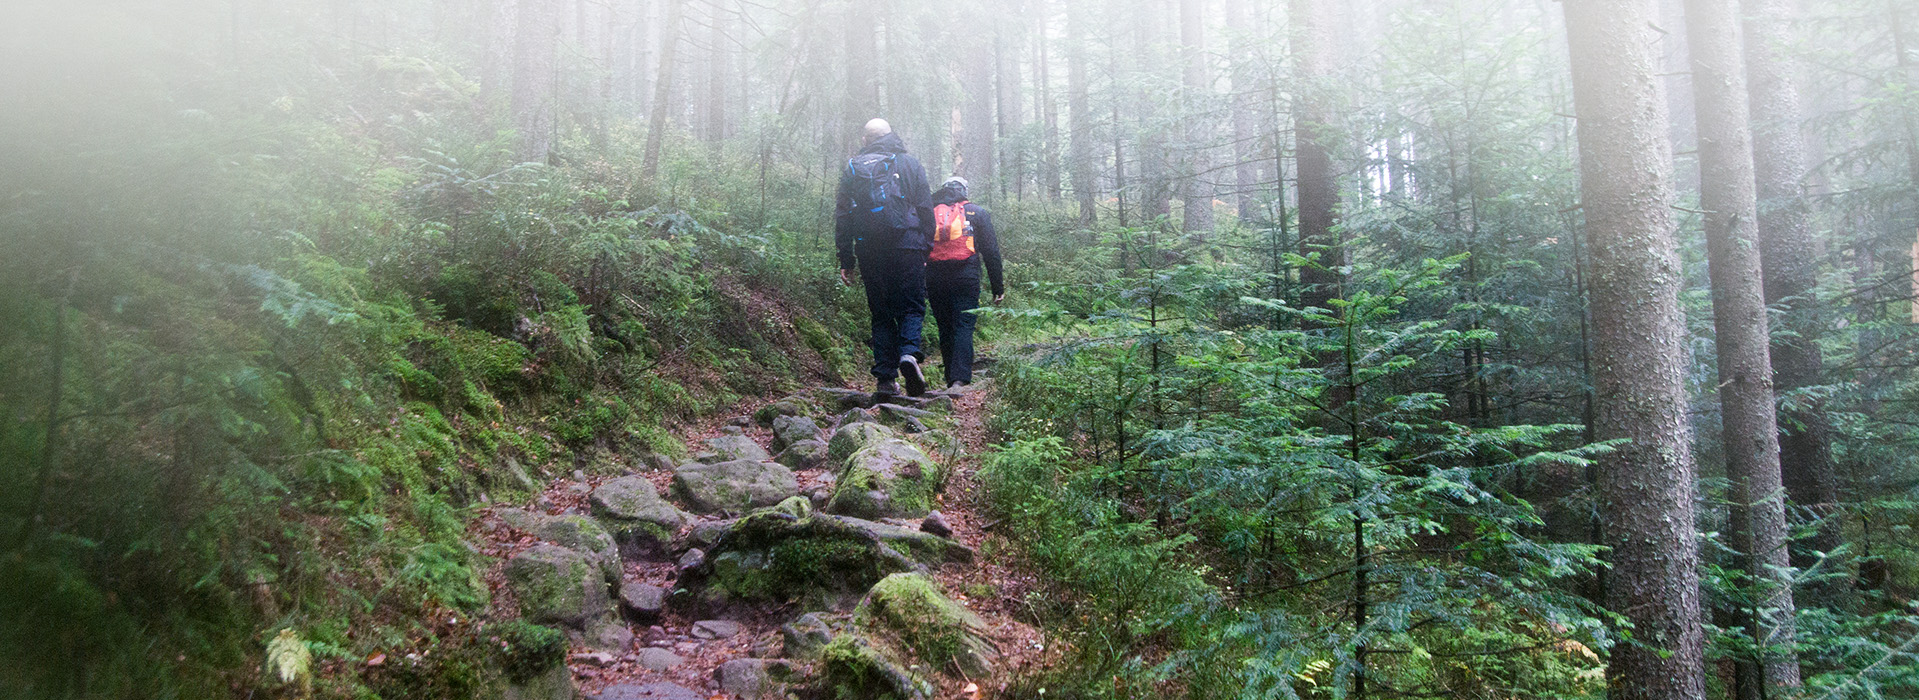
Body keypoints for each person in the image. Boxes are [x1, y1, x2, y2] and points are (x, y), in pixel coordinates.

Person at [835, 118, 937, 396]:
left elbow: (843, 215)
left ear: (866, 139)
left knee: (881, 314)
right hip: (908, 246)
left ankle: (885, 379)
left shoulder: (853, 167)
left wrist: (847, 259)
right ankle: (908, 355)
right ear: (892, 135)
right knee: (911, 306)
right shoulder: (910, 164)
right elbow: (926, 208)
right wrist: (925, 246)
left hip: (869, 249)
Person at [925, 176, 1004, 389]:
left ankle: (950, 374)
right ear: (964, 191)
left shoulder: (928, 212)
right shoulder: (977, 212)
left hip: (934, 275)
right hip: (966, 276)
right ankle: (959, 379)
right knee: (964, 324)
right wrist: (998, 287)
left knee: (944, 325)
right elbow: (991, 252)